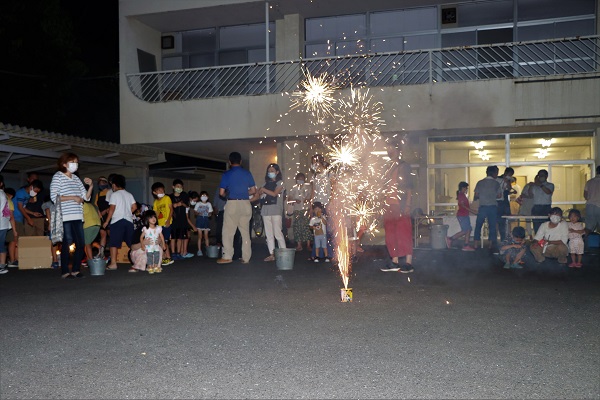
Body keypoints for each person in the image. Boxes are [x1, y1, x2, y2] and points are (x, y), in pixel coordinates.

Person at [49, 152, 94, 279]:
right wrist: (73, 197)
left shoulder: (76, 178)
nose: (75, 165)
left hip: (78, 215)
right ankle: (64, 270)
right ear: (64, 164)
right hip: (66, 216)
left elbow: (86, 197)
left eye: (76, 162)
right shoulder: (58, 176)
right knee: (67, 242)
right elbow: (54, 197)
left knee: (80, 243)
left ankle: (75, 269)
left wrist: (90, 185)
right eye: (72, 162)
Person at [380, 141, 414, 273]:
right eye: (387, 148)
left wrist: (408, 204)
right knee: (390, 234)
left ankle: (408, 263)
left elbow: (409, 187)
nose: (389, 150)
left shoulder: (404, 166)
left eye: (391, 148)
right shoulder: (386, 167)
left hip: (400, 204)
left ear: (398, 150)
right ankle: (395, 262)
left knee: (404, 232)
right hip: (388, 205)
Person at [217, 152, 256, 264]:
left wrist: (228, 195)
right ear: (241, 161)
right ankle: (246, 258)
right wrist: (243, 192)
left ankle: (228, 256)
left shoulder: (227, 174)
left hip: (232, 204)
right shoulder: (247, 173)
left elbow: (221, 192)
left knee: (228, 232)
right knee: (245, 233)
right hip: (245, 204)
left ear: (229, 162)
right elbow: (253, 191)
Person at [102, 174, 137, 271]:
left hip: (117, 221)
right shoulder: (129, 194)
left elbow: (112, 209)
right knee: (132, 243)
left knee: (114, 243)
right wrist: (127, 212)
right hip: (128, 221)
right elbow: (134, 207)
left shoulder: (114, 195)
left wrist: (106, 221)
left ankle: (113, 263)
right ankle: (137, 262)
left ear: (114, 185)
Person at [253, 163, 286, 262]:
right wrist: (258, 192)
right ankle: (272, 254)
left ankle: (284, 253)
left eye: (272, 171)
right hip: (265, 210)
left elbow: (275, 193)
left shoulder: (280, 183)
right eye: (269, 171)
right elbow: (259, 195)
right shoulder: (264, 184)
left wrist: (263, 190)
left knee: (278, 233)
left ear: (277, 172)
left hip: (276, 210)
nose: (270, 173)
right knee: (269, 234)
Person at [473, 165, 501, 251]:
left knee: (478, 225)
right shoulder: (496, 183)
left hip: (483, 207)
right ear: (494, 173)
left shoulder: (480, 182)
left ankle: (475, 244)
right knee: (492, 226)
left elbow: (476, 195)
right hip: (492, 207)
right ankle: (490, 245)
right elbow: (499, 195)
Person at [446, 181, 476, 251]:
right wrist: (472, 211)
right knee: (466, 230)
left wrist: (471, 210)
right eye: (466, 188)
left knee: (468, 229)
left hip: (464, 214)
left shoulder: (462, 195)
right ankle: (450, 239)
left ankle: (466, 245)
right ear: (463, 188)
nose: (466, 189)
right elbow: (463, 205)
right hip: (463, 215)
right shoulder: (461, 195)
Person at [151, 182, 174, 266]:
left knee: (165, 241)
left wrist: (168, 220)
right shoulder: (156, 202)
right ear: (154, 192)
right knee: (161, 241)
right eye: (159, 190)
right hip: (159, 224)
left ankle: (168, 257)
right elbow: (156, 214)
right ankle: (165, 257)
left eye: (162, 189)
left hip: (166, 223)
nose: (161, 191)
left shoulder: (167, 198)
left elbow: (171, 209)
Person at [169, 179, 193, 259]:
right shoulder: (170, 197)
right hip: (173, 220)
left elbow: (187, 206)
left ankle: (179, 253)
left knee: (180, 237)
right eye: (177, 186)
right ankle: (173, 253)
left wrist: (181, 204)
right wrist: (173, 205)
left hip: (182, 220)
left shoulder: (184, 195)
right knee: (173, 238)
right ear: (173, 187)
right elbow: (167, 207)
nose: (179, 188)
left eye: (181, 187)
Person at [288, 172, 312, 252]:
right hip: (297, 210)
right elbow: (289, 198)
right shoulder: (294, 188)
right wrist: (295, 200)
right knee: (297, 227)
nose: (300, 181)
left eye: (302, 179)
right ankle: (299, 245)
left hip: (305, 209)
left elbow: (310, 197)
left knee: (306, 226)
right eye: (299, 179)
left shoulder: (307, 187)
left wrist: (307, 200)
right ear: (296, 180)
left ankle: (308, 244)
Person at [141, 210, 166, 274]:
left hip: (156, 246)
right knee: (149, 257)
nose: (154, 219)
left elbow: (162, 236)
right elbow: (141, 237)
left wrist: (164, 244)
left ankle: (155, 266)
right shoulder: (146, 229)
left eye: (154, 217)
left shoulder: (158, 228)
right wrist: (142, 245)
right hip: (149, 247)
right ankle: (150, 267)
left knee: (157, 256)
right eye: (151, 217)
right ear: (147, 219)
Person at [23, 172, 46, 236]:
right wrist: (28, 200)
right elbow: (20, 205)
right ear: (28, 179)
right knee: (29, 237)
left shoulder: (42, 190)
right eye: (32, 179)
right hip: (28, 217)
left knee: (40, 237)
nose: (35, 180)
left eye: (36, 179)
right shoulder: (23, 190)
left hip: (40, 217)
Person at [82, 192, 102, 265]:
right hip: (97, 224)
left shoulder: (82, 205)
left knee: (87, 244)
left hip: (89, 225)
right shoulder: (93, 205)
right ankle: (99, 247)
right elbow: (100, 216)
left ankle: (91, 261)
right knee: (88, 242)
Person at [496, 167, 514, 242]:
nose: (509, 176)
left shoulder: (509, 180)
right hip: (499, 201)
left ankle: (505, 237)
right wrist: (503, 180)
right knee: (498, 220)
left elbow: (509, 189)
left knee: (506, 219)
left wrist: (508, 182)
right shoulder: (498, 179)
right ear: (506, 172)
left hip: (505, 201)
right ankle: (496, 236)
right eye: (509, 174)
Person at [94, 176, 111, 258]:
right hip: (101, 217)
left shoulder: (110, 192)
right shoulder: (98, 194)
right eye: (99, 183)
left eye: (102, 183)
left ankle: (113, 253)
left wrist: (106, 211)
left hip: (109, 216)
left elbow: (112, 205)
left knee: (110, 234)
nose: (101, 185)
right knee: (102, 234)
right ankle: (101, 252)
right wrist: (99, 213)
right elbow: (96, 205)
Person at [41, 195, 59, 269]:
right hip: (61, 222)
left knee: (53, 243)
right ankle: (59, 260)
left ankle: (55, 261)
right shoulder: (57, 203)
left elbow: (47, 210)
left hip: (54, 224)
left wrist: (50, 224)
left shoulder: (46, 204)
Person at [193, 191, 213, 256]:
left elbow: (210, 213)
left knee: (206, 236)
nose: (204, 197)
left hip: (206, 220)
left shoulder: (209, 204)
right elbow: (195, 211)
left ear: (207, 197)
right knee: (200, 236)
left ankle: (208, 250)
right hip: (200, 219)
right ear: (200, 197)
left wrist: (209, 214)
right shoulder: (198, 203)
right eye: (202, 196)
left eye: (205, 196)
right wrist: (198, 213)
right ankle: (199, 250)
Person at [0, 175, 12, 274]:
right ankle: (2, 266)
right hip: (3, 223)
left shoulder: (1, 195)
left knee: (1, 245)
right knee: (1, 245)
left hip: (1, 223)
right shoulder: (3, 194)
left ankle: (2, 266)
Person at [583, 165, 600, 234]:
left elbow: (585, 196)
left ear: (596, 172)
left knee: (588, 227)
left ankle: (586, 242)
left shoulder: (589, 182)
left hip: (590, 206)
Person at [4, 188, 18, 267]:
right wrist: (14, 230)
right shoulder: (9, 202)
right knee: (12, 241)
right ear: (11, 196)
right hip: (5, 225)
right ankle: (12, 261)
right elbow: (11, 217)